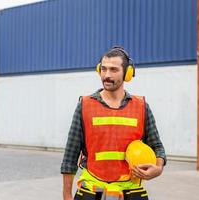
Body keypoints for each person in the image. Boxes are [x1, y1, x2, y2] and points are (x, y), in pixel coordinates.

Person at [61, 46, 166, 200]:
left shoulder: (141, 107)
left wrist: (158, 169)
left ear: (127, 73)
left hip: (130, 192)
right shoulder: (85, 105)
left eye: (113, 70)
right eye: (103, 69)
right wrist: (67, 196)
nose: (107, 75)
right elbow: (70, 156)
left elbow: (157, 147)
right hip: (92, 191)